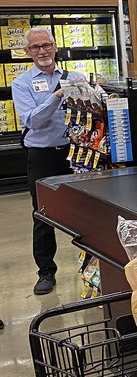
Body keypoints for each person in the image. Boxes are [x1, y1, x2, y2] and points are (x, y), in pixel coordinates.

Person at [11, 27, 85, 296]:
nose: (42, 51)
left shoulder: (75, 77)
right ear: (28, 52)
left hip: (77, 153)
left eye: (46, 45)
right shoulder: (22, 83)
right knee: (42, 214)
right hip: (42, 156)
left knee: (87, 210)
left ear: (55, 47)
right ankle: (45, 272)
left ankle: (90, 266)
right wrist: (56, 97)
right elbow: (33, 120)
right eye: (35, 47)